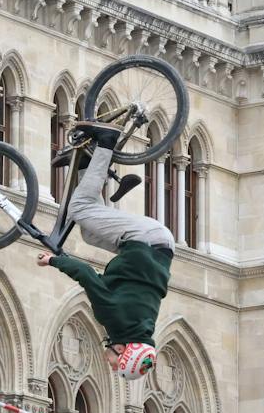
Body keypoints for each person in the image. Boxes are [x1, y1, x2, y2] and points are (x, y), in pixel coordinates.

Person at [38, 122, 172, 381]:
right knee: (79, 209)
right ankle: (106, 141)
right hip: (142, 239)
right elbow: (86, 275)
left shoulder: (142, 328)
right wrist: (53, 260)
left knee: (89, 233)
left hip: (157, 245)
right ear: (121, 350)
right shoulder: (115, 320)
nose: (110, 366)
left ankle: (84, 163)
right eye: (116, 364)